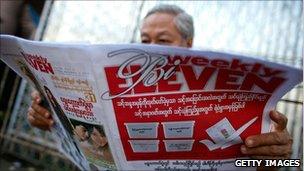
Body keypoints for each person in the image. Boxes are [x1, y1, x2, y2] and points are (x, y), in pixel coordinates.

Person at [27, 4, 292, 166]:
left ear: (188, 44)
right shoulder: (112, 80)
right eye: (145, 39)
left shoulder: (218, 89)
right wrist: (48, 119)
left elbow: (256, 161)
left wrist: (269, 160)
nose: (150, 48)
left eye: (163, 40)